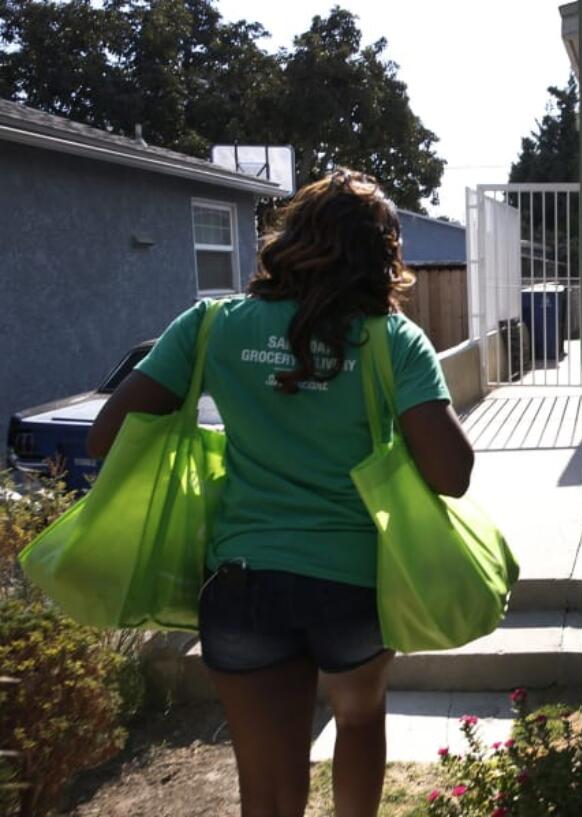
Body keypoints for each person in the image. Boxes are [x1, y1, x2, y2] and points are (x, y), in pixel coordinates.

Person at [87, 169, 474, 817]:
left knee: (267, 789)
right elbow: (452, 474)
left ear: (292, 239)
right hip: (353, 585)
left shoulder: (211, 325)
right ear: (382, 254)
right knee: (358, 718)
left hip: (244, 586)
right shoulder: (391, 341)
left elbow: (106, 436)